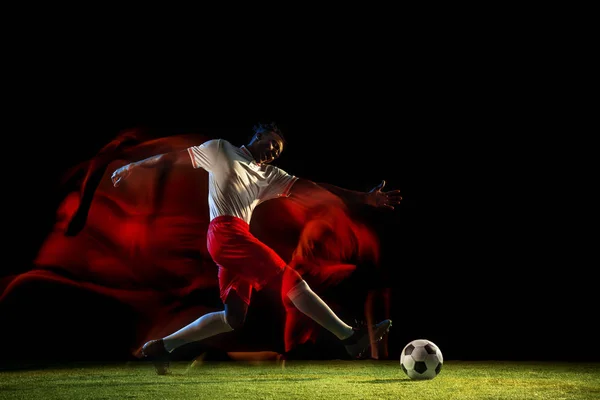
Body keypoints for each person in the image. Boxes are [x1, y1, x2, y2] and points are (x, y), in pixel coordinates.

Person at [110, 122, 402, 374]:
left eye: (279, 150)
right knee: (290, 279)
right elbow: (173, 159)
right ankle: (350, 337)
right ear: (259, 135)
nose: (274, 151)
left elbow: (314, 186)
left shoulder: (270, 175)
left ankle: (162, 347)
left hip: (235, 239)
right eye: (273, 143)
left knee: (232, 319)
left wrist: (363, 199)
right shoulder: (221, 149)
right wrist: (134, 166)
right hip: (225, 232)